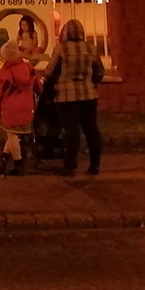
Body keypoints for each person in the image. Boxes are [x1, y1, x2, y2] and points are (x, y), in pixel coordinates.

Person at [43, 18, 106, 176]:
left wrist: (51, 87)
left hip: (66, 97)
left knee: (71, 131)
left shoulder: (61, 49)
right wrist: (92, 83)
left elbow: (50, 72)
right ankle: (95, 165)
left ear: (65, 33)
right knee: (91, 129)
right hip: (88, 95)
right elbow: (100, 71)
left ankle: (70, 165)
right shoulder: (91, 48)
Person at [0, 40, 42, 176]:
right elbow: (38, 85)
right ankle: (3, 158)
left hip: (10, 108)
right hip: (27, 106)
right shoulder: (28, 68)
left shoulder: (6, 72)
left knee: (12, 135)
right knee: (15, 134)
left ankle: (18, 164)